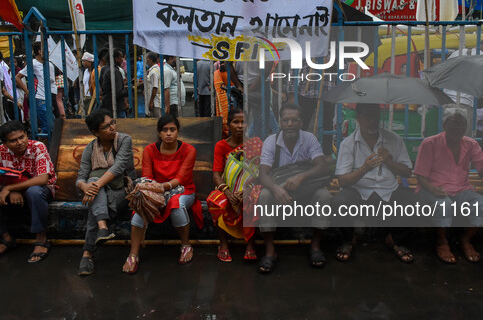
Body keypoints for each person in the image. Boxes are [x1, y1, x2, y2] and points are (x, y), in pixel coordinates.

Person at [333, 104, 415, 263]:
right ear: (358, 118)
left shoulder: (394, 140)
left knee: (413, 202)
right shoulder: (348, 144)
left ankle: (396, 240)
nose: (372, 121)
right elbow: (342, 180)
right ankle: (347, 240)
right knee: (339, 201)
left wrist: (389, 161)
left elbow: (407, 172)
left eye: (375, 117)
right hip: (359, 191)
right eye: (367, 117)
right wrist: (363, 169)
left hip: (388, 189)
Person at [122, 114, 203, 273]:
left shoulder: (188, 150)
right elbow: (147, 178)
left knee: (176, 205)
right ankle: (133, 255)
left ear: (178, 131)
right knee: (140, 207)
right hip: (154, 189)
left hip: (183, 189)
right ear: (159, 133)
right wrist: (153, 191)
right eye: (164, 130)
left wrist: (163, 187)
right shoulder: (150, 150)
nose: (168, 133)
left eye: (172, 129)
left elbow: (181, 178)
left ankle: (186, 245)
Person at [257, 103, 331, 273]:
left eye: (294, 120)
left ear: (301, 122)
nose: (290, 124)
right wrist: (276, 189)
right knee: (265, 195)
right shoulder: (271, 141)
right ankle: (270, 250)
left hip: (305, 190)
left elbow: (323, 167)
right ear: (280, 122)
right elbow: (263, 174)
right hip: (280, 192)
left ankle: (315, 246)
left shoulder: (309, 139)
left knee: (324, 195)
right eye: (286, 120)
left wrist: (301, 176)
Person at [414, 107, 483, 264]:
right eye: (453, 123)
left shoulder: (471, 144)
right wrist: (432, 189)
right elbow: (420, 176)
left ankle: (466, 240)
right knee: (444, 204)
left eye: (461, 124)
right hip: (432, 189)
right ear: (444, 125)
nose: (457, 128)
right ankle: (442, 242)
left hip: (462, 189)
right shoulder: (430, 143)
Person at [0, 121, 56, 263]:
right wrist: (7, 190)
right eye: (13, 140)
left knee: (34, 192)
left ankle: (41, 239)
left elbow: (43, 179)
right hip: (12, 189)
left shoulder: (38, 147)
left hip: (40, 190)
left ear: (26, 135)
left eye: (22, 137)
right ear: (5, 143)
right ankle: (5, 238)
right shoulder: (1, 150)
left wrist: (10, 188)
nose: (20, 142)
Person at [76, 109, 135, 275]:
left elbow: (118, 168)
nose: (112, 127)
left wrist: (94, 186)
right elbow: (80, 177)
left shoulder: (124, 140)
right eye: (106, 126)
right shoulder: (90, 149)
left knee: (94, 190)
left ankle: (88, 252)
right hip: (101, 195)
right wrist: (84, 187)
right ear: (95, 132)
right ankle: (101, 229)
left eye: (112, 123)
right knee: (95, 194)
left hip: (124, 191)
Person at [207, 109, 257, 262]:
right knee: (216, 200)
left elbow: (259, 172)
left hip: (249, 187)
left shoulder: (254, 144)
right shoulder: (221, 146)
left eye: (243, 122)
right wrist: (228, 193)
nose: (240, 126)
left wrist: (247, 190)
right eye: (236, 122)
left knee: (254, 198)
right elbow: (216, 175)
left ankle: (250, 243)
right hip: (227, 187)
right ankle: (223, 243)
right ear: (228, 125)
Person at [443, 36, 483, 136]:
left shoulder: (457, 53)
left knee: (447, 140)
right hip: (465, 104)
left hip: (446, 102)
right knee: (463, 142)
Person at [16, 42, 56, 135]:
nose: (49, 52)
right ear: (39, 52)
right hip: (39, 98)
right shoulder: (32, 64)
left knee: (50, 125)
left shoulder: (49, 64)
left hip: (49, 98)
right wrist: (27, 91)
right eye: (46, 50)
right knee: (47, 125)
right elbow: (17, 78)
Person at [99, 48, 127, 118]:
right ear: (116, 58)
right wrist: (129, 90)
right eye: (121, 57)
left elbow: (103, 87)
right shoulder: (115, 72)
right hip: (116, 108)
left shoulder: (103, 69)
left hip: (106, 105)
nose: (122, 60)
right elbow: (117, 93)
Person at [147, 51, 161, 118]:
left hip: (155, 103)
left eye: (147, 58)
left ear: (151, 59)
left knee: (155, 122)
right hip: (156, 102)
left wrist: (151, 102)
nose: (146, 60)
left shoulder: (153, 72)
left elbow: (155, 87)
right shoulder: (156, 69)